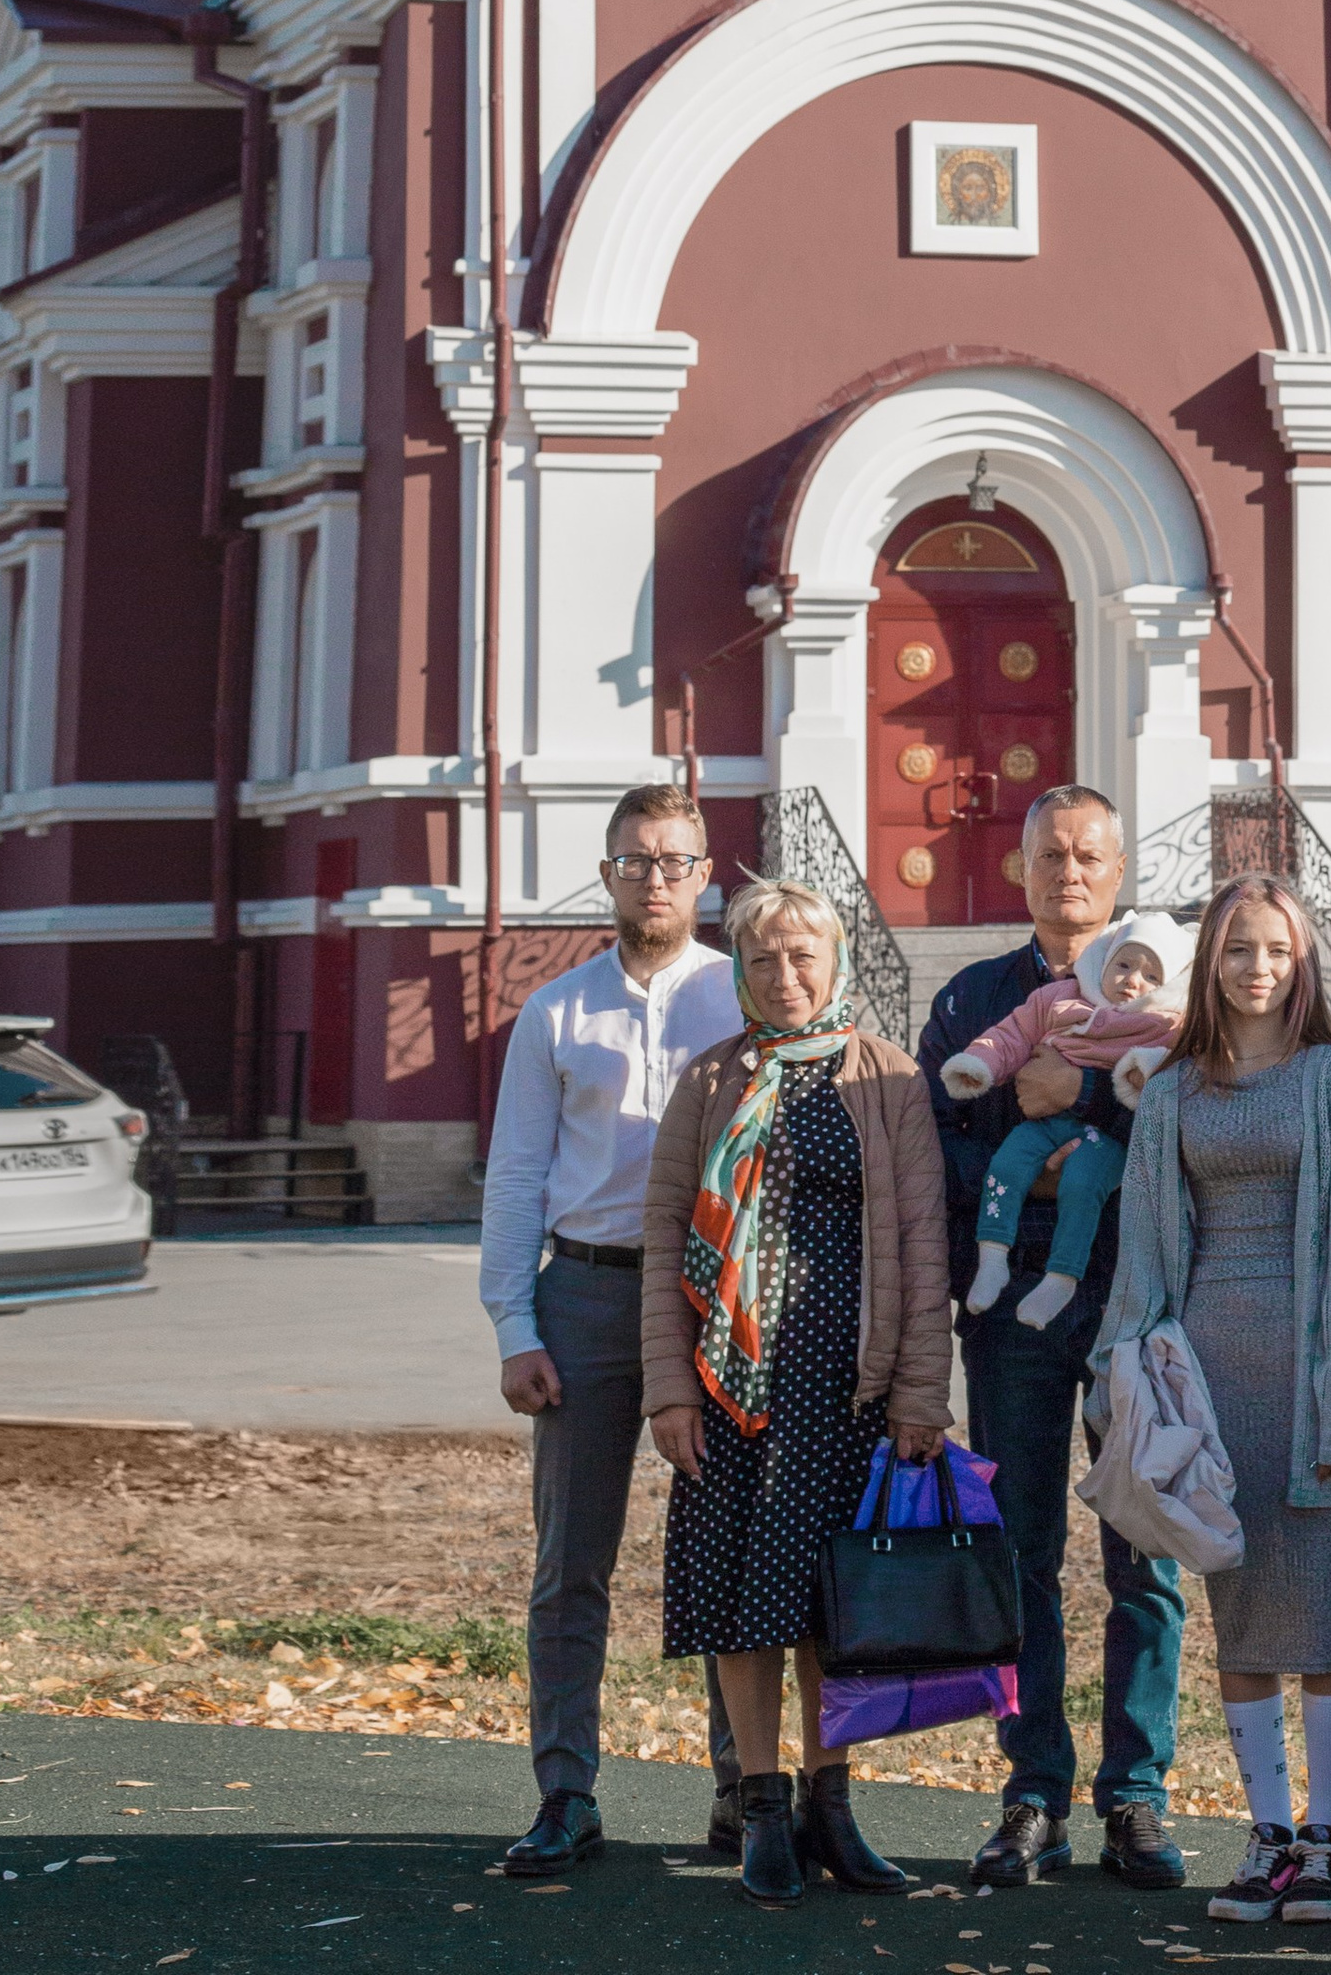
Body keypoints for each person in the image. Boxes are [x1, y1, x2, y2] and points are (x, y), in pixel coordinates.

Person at [640, 874, 953, 1908]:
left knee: (833, 1607)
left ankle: (834, 1807)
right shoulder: (710, 1079)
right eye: (763, 958)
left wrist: (919, 1395)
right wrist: (667, 1391)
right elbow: (664, 1241)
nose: (785, 975)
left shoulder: (888, 1078)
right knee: (743, 1601)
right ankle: (762, 1808)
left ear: (837, 961)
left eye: (803, 954)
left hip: (844, 1386)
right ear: (739, 969)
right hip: (731, 1387)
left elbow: (919, 1247)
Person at [1098, 870, 1331, 1929]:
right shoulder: (1172, 1091)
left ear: (1299, 962)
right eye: (1235, 950)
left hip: (1317, 1374)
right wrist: (1120, 1376)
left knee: (1319, 1611)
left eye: (1273, 950)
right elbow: (1142, 1250)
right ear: (1207, 964)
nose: (1255, 968)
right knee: (1237, 1612)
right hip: (1204, 1380)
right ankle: (1267, 1839)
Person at [918, 783, 1187, 1890]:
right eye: (1048, 856)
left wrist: (1083, 1125)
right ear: (1020, 871)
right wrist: (1029, 1167)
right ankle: (1032, 1792)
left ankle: (1136, 1795)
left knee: (1144, 1549)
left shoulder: (1171, 991)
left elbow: (1186, 1124)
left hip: (1136, 1297)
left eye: (1088, 856)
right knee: (1021, 1548)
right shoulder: (974, 997)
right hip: (1013, 1303)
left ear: (1117, 873)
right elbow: (936, 1149)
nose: (1068, 873)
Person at [478, 780, 741, 1880]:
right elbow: (516, 1173)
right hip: (584, 1297)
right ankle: (565, 1792)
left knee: (733, 1551)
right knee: (570, 1563)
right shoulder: (559, 1010)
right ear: (606, 873)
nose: (657, 878)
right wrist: (511, 1324)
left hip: (707, 1296)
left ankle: (747, 1790)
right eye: (637, 860)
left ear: (706, 873)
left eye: (675, 860)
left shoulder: (740, 993)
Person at [942, 910, 1192, 1324]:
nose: (1133, 981)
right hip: (1045, 1123)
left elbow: (1177, 1073)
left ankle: (1062, 1275)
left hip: (1105, 1136)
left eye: (1151, 975)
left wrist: (1139, 1071)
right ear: (1104, 962)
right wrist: (979, 1063)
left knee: (1081, 1183)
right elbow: (1012, 1033)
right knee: (1005, 1163)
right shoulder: (1061, 998)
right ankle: (992, 1256)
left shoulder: (1166, 1021)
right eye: (1124, 965)